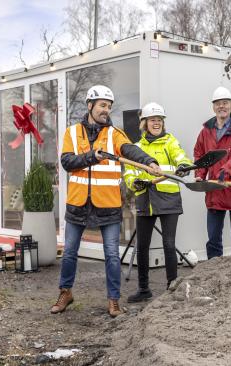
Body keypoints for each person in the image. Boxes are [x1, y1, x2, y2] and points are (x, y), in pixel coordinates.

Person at [51, 85, 162, 317]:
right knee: (70, 252)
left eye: (109, 107)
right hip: (78, 204)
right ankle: (65, 292)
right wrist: (93, 156)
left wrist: (149, 161)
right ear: (90, 105)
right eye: (102, 105)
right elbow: (67, 162)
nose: (106, 110)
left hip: (108, 205)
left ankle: (113, 300)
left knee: (112, 254)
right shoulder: (72, 133)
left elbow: (131, 150)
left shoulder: (114, 134)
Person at [123, 102, 193, 302]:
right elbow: (129, 173)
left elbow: (182, 157)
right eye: (153, 120)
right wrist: (134, 182)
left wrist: (183, 166)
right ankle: (144, 289)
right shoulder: (137, 148)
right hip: (146, 200)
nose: (157, 123)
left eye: (159, 120)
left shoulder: (170, 141)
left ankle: (172, 287)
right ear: (144, 123)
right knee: (142, 246)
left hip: (169, 200)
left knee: (169, 244)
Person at [194, 86, 231, 259]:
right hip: (215, 191)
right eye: (218, 103)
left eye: (225, 103)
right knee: (213, 240)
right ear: (213, 107)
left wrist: (223, 173)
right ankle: (213, 274)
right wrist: (199, 174)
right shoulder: (206, 131)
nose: (222, 106)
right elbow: (200, 153)